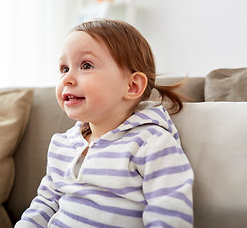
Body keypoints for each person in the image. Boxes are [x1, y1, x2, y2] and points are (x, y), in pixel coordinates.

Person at [15, 19, 194, 228]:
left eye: (86, 65)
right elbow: (45, 204)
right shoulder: (61, 145)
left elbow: (169, 213)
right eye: (64, 68)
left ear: (132, 86)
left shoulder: (151, 143)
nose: (67, 79)